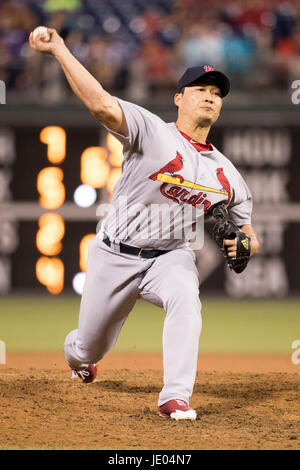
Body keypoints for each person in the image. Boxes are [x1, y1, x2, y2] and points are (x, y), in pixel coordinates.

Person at [29, 29, 260, 421]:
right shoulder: (152, 131)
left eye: (216, 93)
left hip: (170, 257)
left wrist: (246, 245)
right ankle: (81, 359)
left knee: (186, 298)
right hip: (114, 254)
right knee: (85, 349)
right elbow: (101, 105)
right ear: (178, 98)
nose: (209, 96)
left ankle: (175, 397)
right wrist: (60, 50)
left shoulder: (225, 173)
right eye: (199, 88)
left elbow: (248, 231)